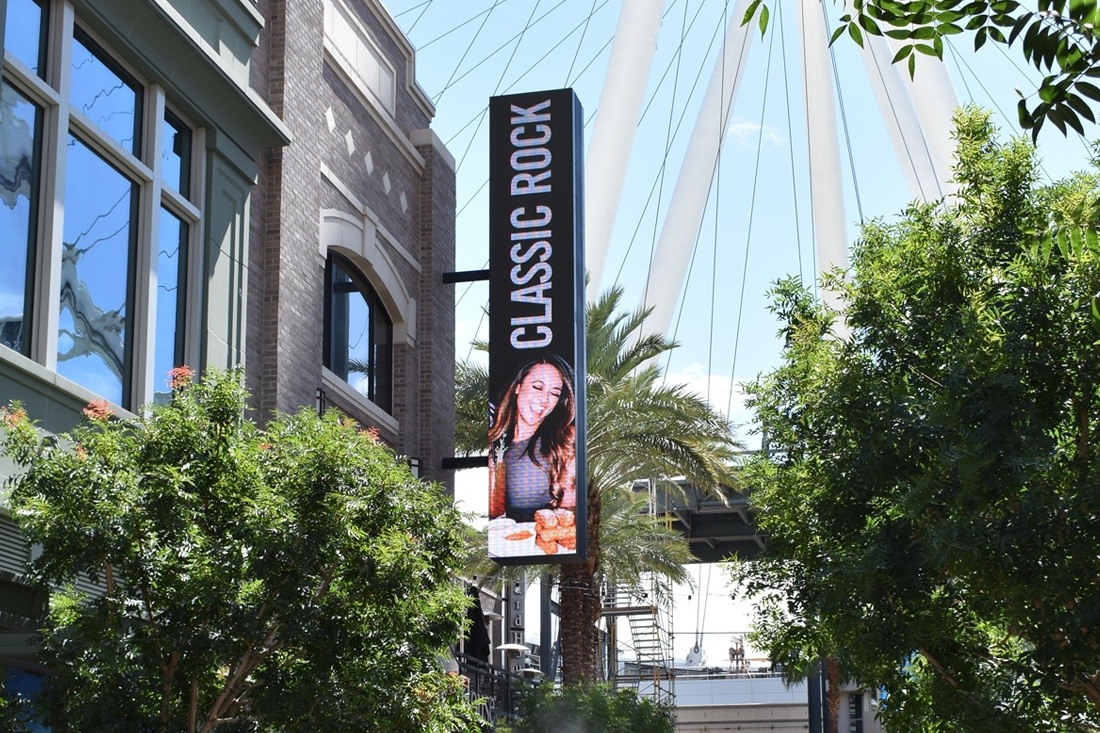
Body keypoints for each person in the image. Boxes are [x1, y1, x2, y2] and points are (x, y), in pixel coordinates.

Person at [488, 355, 576, 522]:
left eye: (554, 393)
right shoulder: (491, 437)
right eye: (537, 387)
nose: (544, 399)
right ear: (517, 387)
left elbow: (569, 511)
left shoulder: (564, 442)